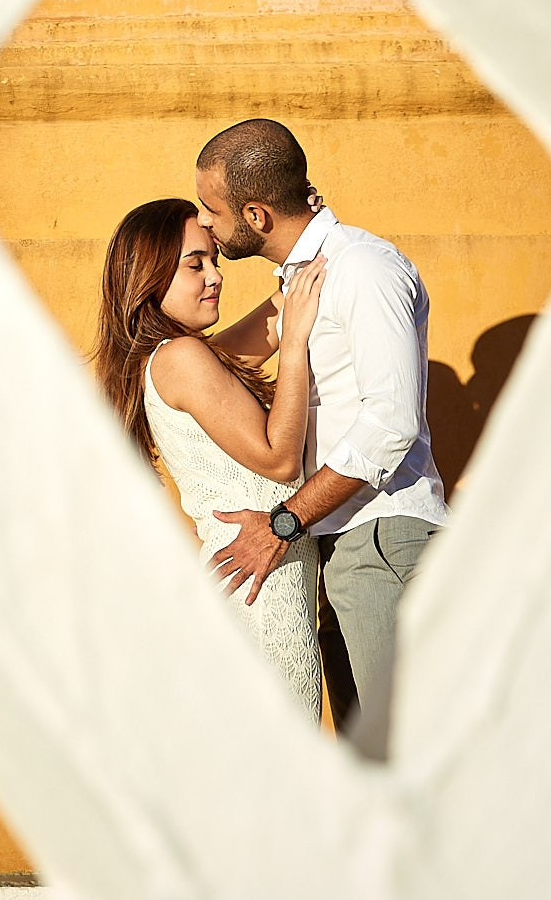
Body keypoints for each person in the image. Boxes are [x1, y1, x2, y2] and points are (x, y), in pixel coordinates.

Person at [196, 118, 448, 735]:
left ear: (255, 215)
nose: (207, 224)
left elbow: (390, 425)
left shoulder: (361, 268)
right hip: (337, 543)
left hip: (379, 538)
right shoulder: (300, 283)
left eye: (212, 210)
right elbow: (214, 363)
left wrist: (284, 523)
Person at [92, 196, 329, 717]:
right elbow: (279, 459)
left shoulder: (179, 358)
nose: (214, 276)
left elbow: (278, 311)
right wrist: (295, 349)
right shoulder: (182, 359)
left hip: (257, 583)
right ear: (149, 277)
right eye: (193, 264)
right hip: (261, 592)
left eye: (214, 261)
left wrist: (304, 224)